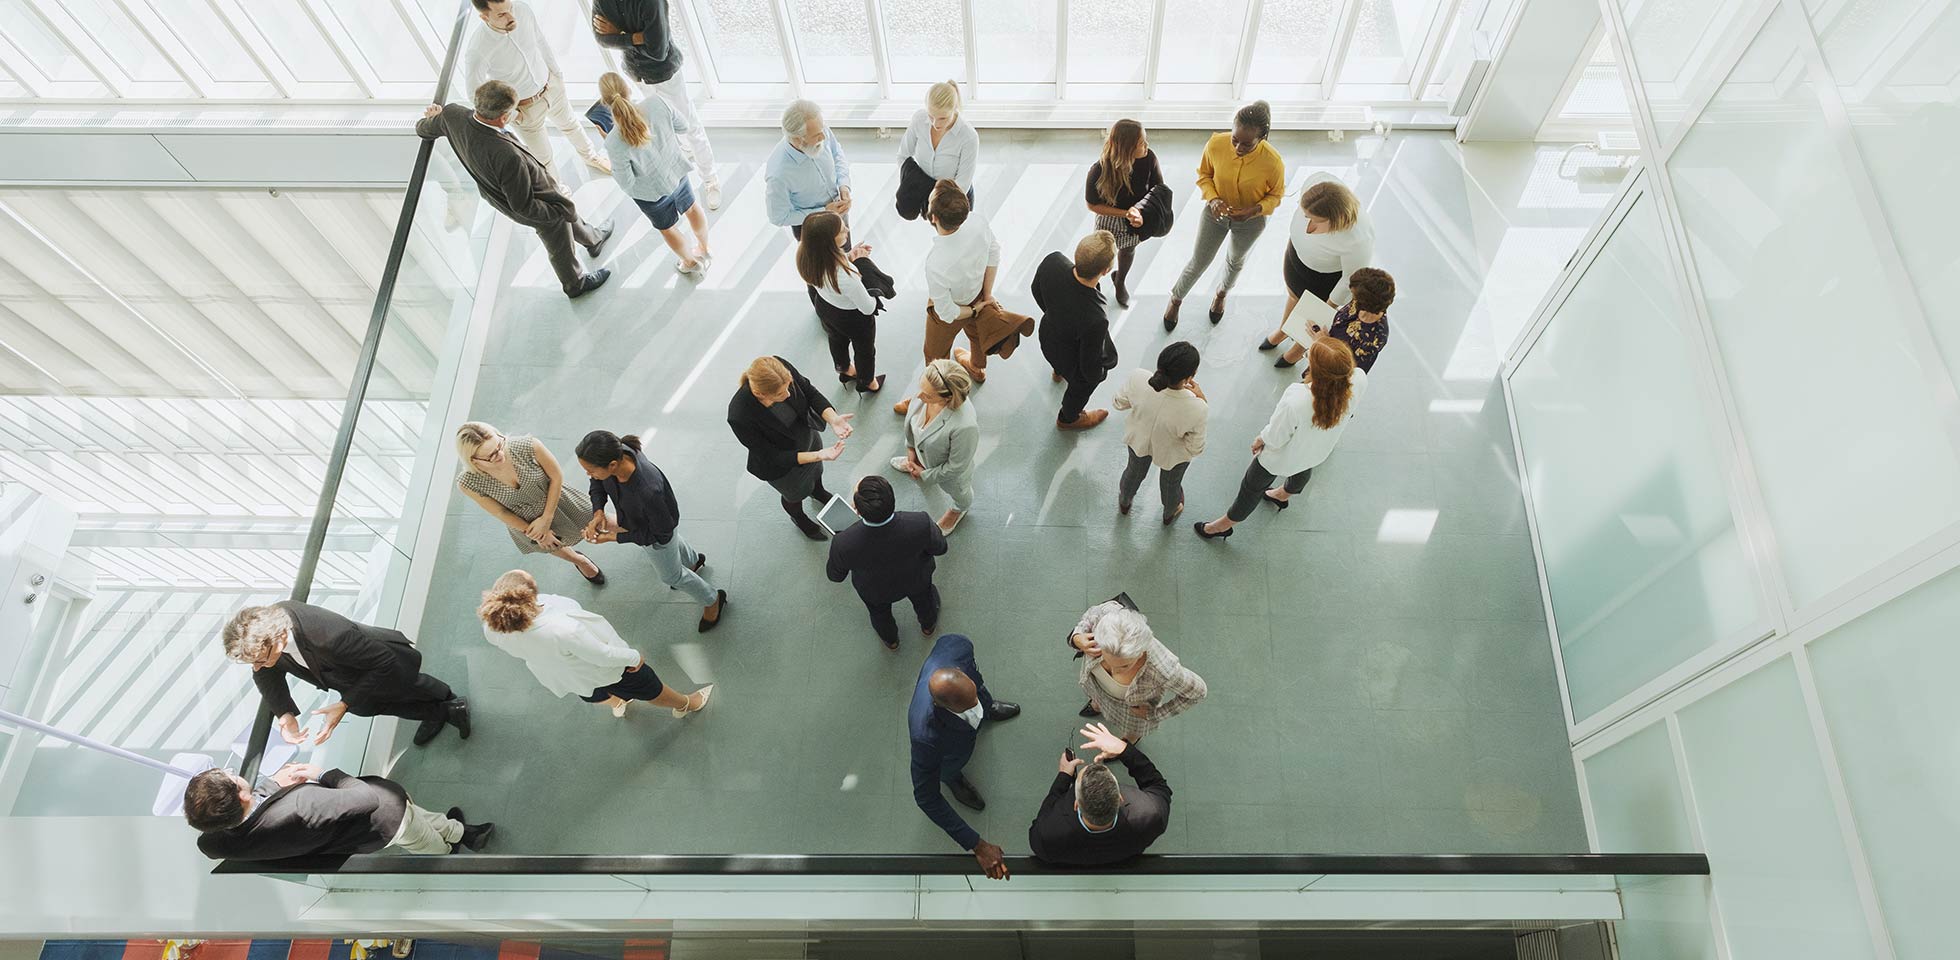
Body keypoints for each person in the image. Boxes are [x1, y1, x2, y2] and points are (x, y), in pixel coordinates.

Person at [416, 82, 613, 299]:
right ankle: (575, 284)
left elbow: (422, 129)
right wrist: (554, 214)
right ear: (502, 117)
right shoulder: (506, 155)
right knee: (558, 238)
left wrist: (433, 118)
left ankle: (593, 240)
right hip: (535, 203)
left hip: (521, 191)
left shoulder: (452, 115)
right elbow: (523, 206)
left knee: (568, 214)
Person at [222, 603, 470, 748]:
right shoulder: (270, 623)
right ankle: (444, 705)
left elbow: (384, 662)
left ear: (278, 640)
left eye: (260, 660)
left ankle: (450, 707)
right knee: (383, 702)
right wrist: (285, 715)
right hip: (350, 672)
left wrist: (344, 703)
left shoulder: (328, 636)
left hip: (382, 664)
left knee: (403, 691)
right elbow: (266, 673)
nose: (258, 667)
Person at [477, 569, 712, 717]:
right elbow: (603, 656)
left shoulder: (493, 626)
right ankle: (686, 704)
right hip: (607, 669)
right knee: (649, 686)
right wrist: (634, 657)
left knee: (590, 692)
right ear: (530, 597)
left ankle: (618, 703)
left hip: (563, 675)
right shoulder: (562, 629)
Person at [1197, 337, 1366, 539]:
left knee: (1251, 489)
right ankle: (1282, 495)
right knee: (1303, 467)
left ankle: (1222, 526)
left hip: (1279, 459)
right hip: (1317, 451)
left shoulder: (1298, 398)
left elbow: (1276, 438)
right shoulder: (1359, 379)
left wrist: (1261, 438)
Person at [574, 430, 728, 632]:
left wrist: (614, 537)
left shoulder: (647, 491)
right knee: (673, 542)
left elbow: (659, 534)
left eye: (590, 470)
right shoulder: (618, 453)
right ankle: (692, 561)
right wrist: (598, 512)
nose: (588, 474)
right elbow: (597, 482)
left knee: (671, 576)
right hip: (647, 521)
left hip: (657, 530)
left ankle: (712, 599)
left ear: (612, 465)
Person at [184, 764, 491, 861]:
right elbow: (365, 798)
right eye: (230, 776)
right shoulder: (302, 805)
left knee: (422, 819)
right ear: (241, 793)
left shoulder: (217, 841)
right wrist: (327, 773)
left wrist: (275, 785)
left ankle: (461, 831)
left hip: (359, 831)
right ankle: (450, 851)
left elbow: (207, 844)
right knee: (422, 837)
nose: (234, 772)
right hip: (384, 819)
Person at [908, 632, 1021, 880]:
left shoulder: (957, 648)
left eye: (975, 699)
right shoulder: (926, 738)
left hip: (961, 698)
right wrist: (977, 844)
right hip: (950, 752)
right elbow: (926, 797)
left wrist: (982, 702)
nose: (976, 707)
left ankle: (990, 710)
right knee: (948, 768)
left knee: (981, 701)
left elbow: (975, 688)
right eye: (971, 707)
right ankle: (953, 779)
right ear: (942, 707)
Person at [907, 180, 1032, 403]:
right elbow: (994, 252)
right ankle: (976, 367)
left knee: (935, 354)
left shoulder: (936, 262)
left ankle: (936, 393)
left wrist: (973, 310)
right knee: (977, 335)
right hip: (979, 293)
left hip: (958, 307)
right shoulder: (977, 221)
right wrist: (987, 294)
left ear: (933, 218)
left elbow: (946, 312)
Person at [1164, 101, 1284, 331]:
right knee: (1199, 260)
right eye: (1235, 140)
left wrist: (1254, 210)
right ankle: (1176, 299)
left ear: (1263, 138)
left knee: (1235, 261)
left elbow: (1276, 195)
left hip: (1251, 222)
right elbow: (1204, 175)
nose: (1238, 147)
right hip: (1214, 214)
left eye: (1247, 144)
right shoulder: (1216, 143)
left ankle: (1221, 294)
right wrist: (1213, 199)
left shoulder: (1273, 161)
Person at [591, 0, 722, 208]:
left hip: (664, 74)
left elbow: (658, 50)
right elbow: (602, 39)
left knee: (689, 125)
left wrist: (622, 34)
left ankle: (710, 179)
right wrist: (638, 37)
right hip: (636, 74)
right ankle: (685, 152)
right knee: (663, 124)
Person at [463, 0, 609, 176]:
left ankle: (591, 157)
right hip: (525, 110)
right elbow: (475, 95)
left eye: (510, 8)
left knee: (571, 125)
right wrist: (513, 115)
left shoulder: (522, 10)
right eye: (502, 14)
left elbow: (540, 41)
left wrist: (557, 75)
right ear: (484, 17)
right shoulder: (478, 49)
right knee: (543, 158)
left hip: (551, 87)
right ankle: (559, 192)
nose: (511, 16)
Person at [454, 421, 604, 585]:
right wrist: (538, 533)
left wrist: (546, 519)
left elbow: (556, 477)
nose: (500, 454)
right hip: (525, 522)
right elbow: (500, 512)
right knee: (552, 545)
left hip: (557, 500)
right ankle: (580, 561)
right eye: (491, 456)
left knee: (600, 520)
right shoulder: (468, 483)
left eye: (499, 445)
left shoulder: (529, 446)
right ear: (474, 460)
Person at [726, 356, 854, 541]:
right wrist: (817, 455)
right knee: (794, 494)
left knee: (816, 472)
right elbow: (771, 455)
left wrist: (833, 418)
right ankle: (799, 518)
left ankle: (817, 491)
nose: (787, 394)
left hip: (807, 439)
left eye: (788, 386)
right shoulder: (740, 414)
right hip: (782, 467)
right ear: (761, 394)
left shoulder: (779, 368)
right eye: (779, 394)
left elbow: (810, 392)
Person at [598, 71, 710, 278]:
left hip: (652, 195)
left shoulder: (613, 141)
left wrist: (610, 142)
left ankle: (689, 262)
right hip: (677, 173)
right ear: (628, 89)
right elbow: (683, 126)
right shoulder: (657, 103)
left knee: (668, 229)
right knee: (693, 208)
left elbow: (626, 183)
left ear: (605, 102)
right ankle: (703, 248)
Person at [1259, 174, 1376, 367]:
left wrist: (1327, 307)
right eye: (1306, 216)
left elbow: (1350, 279)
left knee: (1312, 320)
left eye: (1315, 220)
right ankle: (1284, 330)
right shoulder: (1317, 183)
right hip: (1296, 260)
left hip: (1323, 281)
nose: (1309, 227)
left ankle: (1296, 352)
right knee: (1293, 297)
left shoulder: (1358, 238)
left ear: (1336, 219)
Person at [825, 476, 947, 650]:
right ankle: (928, 627)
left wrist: (845, 538)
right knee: (925, 602)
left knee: (879, 614)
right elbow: (941, 548)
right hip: (917, 579)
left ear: (857, 510)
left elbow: (835, 576)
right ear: (893, 500)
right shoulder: (920, 522)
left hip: (875, 591)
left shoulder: (843, 542)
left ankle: (891, 641)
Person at [1026, 722, 1172, 866]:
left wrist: (1064, 776)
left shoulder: (1047, 836)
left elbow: (1044, 815)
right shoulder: (1152, 815)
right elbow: (1157, 785)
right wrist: (1123, 749)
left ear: (1076, 805)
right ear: (1120, 798)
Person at [1066, 599, 1207, 743]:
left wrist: (1156, 715)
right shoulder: (1108, 614)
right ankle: (1097, 705)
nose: (1114, 671)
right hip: (1098, 690)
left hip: (1130, 711)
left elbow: (1198, 692)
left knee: (1133, 729)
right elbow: (1090, 616)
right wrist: (1077, 636)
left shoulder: (1164, 670)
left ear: (1140, 653)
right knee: (1098, 698)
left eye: (1124, 666)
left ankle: (1128, 742)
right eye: (1106, 658)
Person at [1112, 342, 1208, 524]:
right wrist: (1201, 399)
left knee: (1133, 472)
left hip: (1138, 441)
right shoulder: (1197, 407)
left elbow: (1118, 402)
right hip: (1173, 455)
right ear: (1190, 377)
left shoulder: (1138, 377)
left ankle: (1125, 501)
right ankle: (1169, 513)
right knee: (1171, 485)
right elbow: (1195, 448)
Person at [1033, 230, 1117, 431]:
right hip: (1071, 358)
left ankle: (1058, 371)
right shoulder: (1096, 318)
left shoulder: (1053, 262)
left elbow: (1036, 289)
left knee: (1062, 363)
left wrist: (1055, 314)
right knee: (1082, 385)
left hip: (1047, 337)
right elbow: (1089, 367)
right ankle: (1069, 417)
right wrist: (1100, 375)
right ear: (1105, 271)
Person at [797, 210, 885, 393]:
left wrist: (849, 256)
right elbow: (868, 308)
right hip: (853, 318)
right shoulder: (846, 276)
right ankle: (867, 381)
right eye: (842, 230)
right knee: (864, 350)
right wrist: (862, 264)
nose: (848, 230)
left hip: (825, 307)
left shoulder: (806, 257)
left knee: (836, 338)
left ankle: (844, 368)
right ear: (829, 240)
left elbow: (830, 265)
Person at [1082, 119, 1165, 309]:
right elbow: (1092, 204)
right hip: (1109, 218)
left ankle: (1119, 281)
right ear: (1126, 148)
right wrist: (1126, 213)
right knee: (1101, 255)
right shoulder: (1099, 169)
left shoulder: (1149, 158)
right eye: (1141, 143)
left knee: (1127, 251)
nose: (1147, 146)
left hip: (1137, 216)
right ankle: (1095, 285)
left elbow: (1158, 188)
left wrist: (1140, 212)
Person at [892, 359, 979, 534]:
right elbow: (912, 424)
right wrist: (910, 449)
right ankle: (916, 462)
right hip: (924, 453)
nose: (918, 397)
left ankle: (959, 509)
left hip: (949, 474)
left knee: (960, 492)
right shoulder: (926, 391)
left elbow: (956, 466)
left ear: (947, 397)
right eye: (920, 388)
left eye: (928, 396)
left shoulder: (965, 426)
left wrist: (924, 475)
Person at [765, 100, 851, 238]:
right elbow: (778, 217)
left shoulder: (819, 129)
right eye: (817, 135)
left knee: (845, 251)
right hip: (811, 229)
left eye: (823, 129)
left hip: (839, 213)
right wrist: (823, 212)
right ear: (798, 140)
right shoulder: (778, 174)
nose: (823, 136)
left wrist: (844, 185)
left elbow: (837, 153)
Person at [895, 80, 978, 220]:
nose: (935, 124)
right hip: (923, 183)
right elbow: (903, 156)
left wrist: (936, 203)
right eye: (931, 116)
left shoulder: (968, 137)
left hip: (952, 196)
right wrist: (913, 183)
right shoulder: (919, 119)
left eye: (942, 118)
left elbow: (962, 185)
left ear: (954, 109)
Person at [1315, 266, 1395, 374]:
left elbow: (1346, 372)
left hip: (1329, 376)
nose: (1352, 296)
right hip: (1321, 353)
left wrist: (1324, 343)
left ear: (1365, 302)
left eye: (1354, 295)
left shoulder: (1373, 340)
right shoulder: (1358, 303)